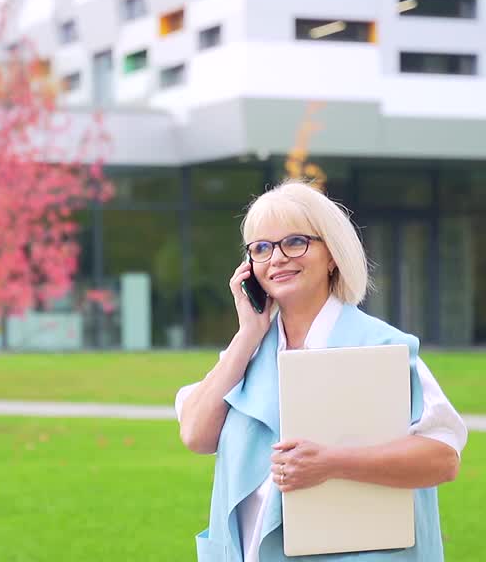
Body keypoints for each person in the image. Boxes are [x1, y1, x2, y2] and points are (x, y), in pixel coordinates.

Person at [176, 180, 467, 561]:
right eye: (261, 248)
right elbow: (196, 435)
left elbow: (442, 458)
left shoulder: (382, 347)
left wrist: (332, 464)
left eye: (295, 242)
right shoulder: (246, 354)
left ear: (332, 254)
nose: (276, 258)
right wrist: (248, 334)